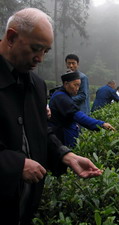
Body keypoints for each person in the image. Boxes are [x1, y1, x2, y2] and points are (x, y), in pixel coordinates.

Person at [0, 8, 102, 225]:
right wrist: (15, 165)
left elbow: (40, 131)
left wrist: (66, 155)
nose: (40, 59)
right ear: (11, 37)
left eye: (46, 51)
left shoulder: (36, 85)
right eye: (36, 49)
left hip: (24, 209)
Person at [48, 71, 115, 147]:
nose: (77, 88)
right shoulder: (61, 97)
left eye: (79, 85)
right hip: (62, 137)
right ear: (66, 84)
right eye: (75, 85)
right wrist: (102, 124)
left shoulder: (64, 94)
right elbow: (79, 116)